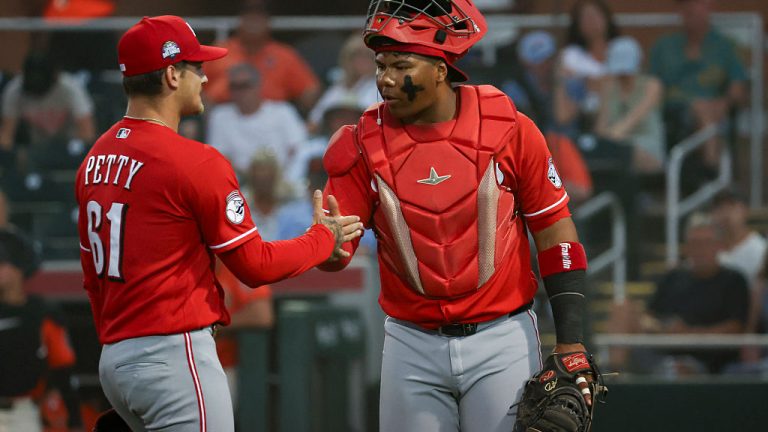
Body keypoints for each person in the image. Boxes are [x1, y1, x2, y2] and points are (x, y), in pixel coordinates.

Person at [75, 15, 362, 432]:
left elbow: (91, 278)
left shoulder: (93, 161)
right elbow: (255, 266)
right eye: (197, 68)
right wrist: (323, 238)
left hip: (115, 360)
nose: (206, 79)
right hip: (175, 356)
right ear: (172, 74)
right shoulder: (195, 160)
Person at [320, 1, 596, 430]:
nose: (385, 79)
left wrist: (571, 340)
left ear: (440, 69)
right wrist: (327, 244)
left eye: (400, 64)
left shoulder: (509, 126)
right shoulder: (360, 142)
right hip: (410, 341)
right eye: (380, 64)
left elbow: (554, 228)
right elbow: (338, 252)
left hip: (501, 336)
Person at [609, 213, 749, 375]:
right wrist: (662, 327)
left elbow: (736, 328)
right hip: (661, 349)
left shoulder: (733, 280)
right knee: (622, 308)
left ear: (719, 246)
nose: (700, 250)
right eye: (694, 244)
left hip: (705, 359)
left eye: (706, 243)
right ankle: (613, 380)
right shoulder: (674, 276)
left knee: (679, 370)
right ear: (686, 248)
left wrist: (689, 334)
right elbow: (648, 315)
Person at [0, 228, 83, 432]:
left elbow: (62, 367)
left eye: (2, 263)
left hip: (24, 412)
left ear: (19, 268)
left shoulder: (41, 312)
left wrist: (74, 420)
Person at [649, 0, 747, 169]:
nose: (693, 8)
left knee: (705, 111)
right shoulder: (664, 46)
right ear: (680, 9)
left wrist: (724, 103)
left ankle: (710, 174)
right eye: (686, 3)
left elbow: (738, 88)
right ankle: (714, 175)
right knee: (701, 109)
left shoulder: (726, 46)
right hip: (670, 110)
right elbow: (649, 86)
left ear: (710, 6)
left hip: (712, 110)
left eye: (698, 3)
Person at [203, 0, 321, 112]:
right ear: (241, 18)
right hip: (223, 116)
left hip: (270, 121)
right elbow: (192, 85)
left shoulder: (284, 55)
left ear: (268, 20)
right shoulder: (219, 51)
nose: (254, 19)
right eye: (249, 13)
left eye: (260, 14)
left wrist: (299, 115)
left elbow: (310, 91)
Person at [206, 62, 308, 180]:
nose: (240, 92)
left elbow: (299, 148)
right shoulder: (220, 116)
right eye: (234, 87)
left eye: (245, 85)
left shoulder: (282, 111)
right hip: (241, 184)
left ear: (258, 85)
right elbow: (219, 156)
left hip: (283, 181)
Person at [0, 51, 95, 172]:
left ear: (55, 76)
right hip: (35, 151)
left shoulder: (70, 89)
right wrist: (9, 160)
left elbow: (87, 132)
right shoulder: (14, 91)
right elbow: (6, 136)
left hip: (69, 149)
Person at [595, 36, 665, 174]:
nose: (623, 74)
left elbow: (633, 119)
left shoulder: (652, 85)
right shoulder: (609, 88)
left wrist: (612, 138)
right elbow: (600, 127)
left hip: (645, 148)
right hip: (615, 146)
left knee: (622, 154)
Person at [554, 0, 619, 139]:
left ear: (606, 17)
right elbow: (566, 88)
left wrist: (593, 82)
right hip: (579, 114)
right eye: (585, 18)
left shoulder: (621, 48)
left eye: (595, 16)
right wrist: (589, 83)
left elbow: (626, 83)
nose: (591, 21)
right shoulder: (571, 55)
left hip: (615, 113)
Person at [307, 33, 378, 132]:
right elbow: (313, 122)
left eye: (368, 56)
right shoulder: (337, 87)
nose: (363, 60)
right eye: (357, 55)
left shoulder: (381, 88)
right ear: (347, 58)